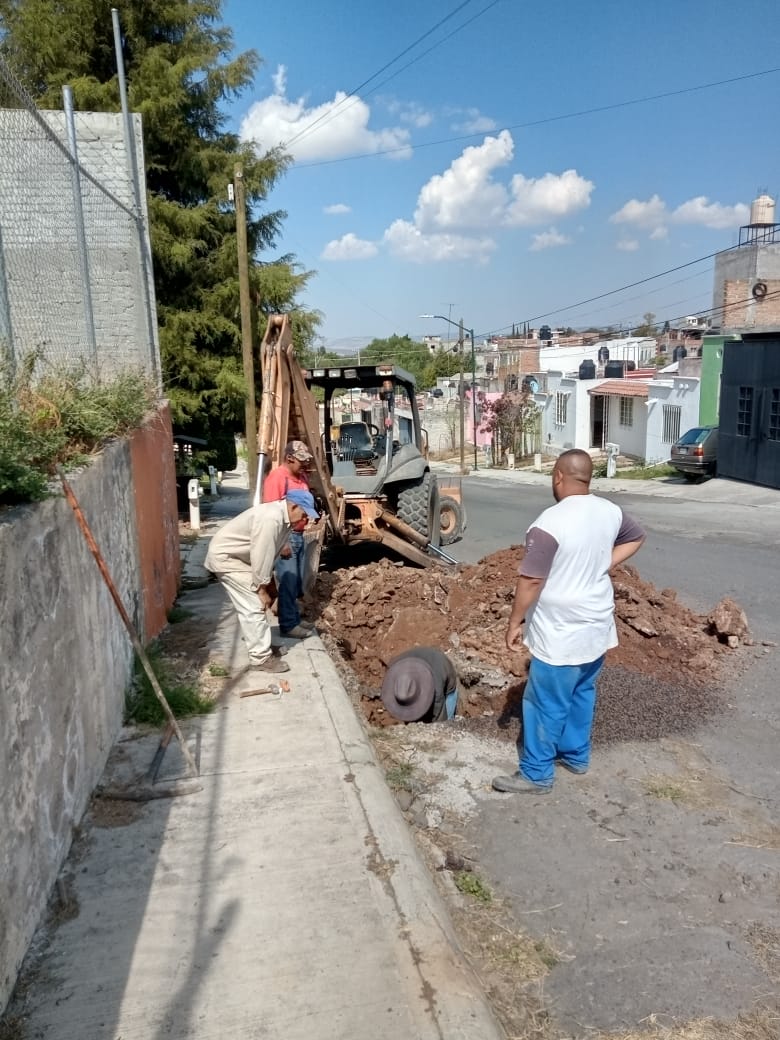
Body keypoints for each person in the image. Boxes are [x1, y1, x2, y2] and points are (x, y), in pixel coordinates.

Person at [492, 449, 646, 795]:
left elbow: (531, 580)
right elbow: (637, 537)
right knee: (581, 691)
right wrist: (604, 563)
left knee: (544, 700)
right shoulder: (610, 511)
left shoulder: (550, 523)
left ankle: (536, 774)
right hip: (597, 625)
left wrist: (515, 621)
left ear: (558, 476)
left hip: (561, 631)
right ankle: (576, 756)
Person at [204, 490, 320, 673]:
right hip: (226, 559)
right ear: (293, 506)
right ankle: (260, 658)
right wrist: (262, 589)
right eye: (303, 513)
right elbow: (261, 556)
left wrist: (267, 584)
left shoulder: (284, 518)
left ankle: (262, 647)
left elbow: (270, 554)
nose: (304, 519)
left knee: (257, 603)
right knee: (253, 605)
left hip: (239, 559)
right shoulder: (271, 518)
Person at [262, 440, 316, 640]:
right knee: (287, 581)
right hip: (286, 536)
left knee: (296, 582)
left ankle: (293, 617)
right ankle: (288, 624)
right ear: (289, 458)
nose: (304, 464)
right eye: (300, 460)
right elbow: (270, 513)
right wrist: (281, 542)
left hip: (299, 535)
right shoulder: (277, 478)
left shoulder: (301, 477)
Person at [381, 647, 459, 723]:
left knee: (448, 723)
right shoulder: (394, 669)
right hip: (421, 660)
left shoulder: (437, 690)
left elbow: (440, 721)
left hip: (442, 667)